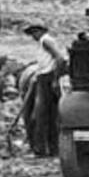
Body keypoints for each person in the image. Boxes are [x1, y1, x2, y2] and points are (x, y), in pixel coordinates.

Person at [23, 23, 69, 157]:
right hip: (45, 77)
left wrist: (54, 78)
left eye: (34, 33)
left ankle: (40, 149)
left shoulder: (46, 41)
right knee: (51, 114)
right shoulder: (45, 41)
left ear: (41, 31)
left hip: (46, 78)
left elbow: (60, 58)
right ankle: (53, 149)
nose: (33, 36)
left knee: (40, 115)